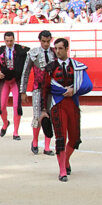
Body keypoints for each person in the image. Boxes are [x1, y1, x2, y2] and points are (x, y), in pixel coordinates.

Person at [40, 37, 89, 182]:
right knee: (61, 138)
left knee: (74, 138)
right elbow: (44, 89)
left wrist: (74, 90)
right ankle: (62, 170)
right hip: (57, 105)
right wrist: (43, 110)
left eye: (61, 48)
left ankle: (66, 160)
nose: (58, 51)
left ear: (67, 49)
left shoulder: (76, 66)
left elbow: (87, 85)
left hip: (72, 104)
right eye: (56, 49)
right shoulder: (50, 67)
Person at [21, 30, 57, 155]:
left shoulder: (55, 52)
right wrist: (23, 91)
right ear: (39, 40)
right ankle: (35, 141)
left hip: (52, 90)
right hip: (38, 89)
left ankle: (47, 147)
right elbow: (25, 73)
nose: (46, 44)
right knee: (37, 116)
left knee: (50, 117)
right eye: (43, 41)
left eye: (48, 41)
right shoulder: (33, 53)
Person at [0, 31, 28, 139]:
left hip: (16, 81)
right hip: (5, 81)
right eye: (7, 41)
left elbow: (32, 54)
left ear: (14, 40)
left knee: (17, 106)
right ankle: (5, 123)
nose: (9, 43)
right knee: (2, 106)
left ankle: (16, 132)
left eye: (11, 40)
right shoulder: (0, 50)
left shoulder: (21, 49)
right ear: (4, 40)